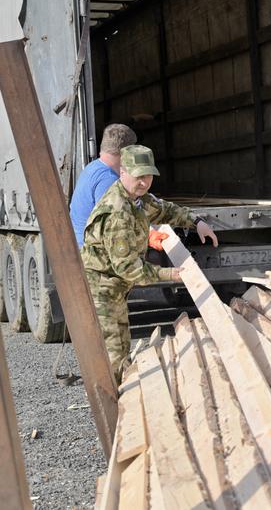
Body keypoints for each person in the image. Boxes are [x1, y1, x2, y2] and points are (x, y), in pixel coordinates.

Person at [81, 145, 218, 384]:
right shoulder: (118, 212)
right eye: (138, 176)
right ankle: (111, 411)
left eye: (148, 176)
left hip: (116, 290)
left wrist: (196, 222)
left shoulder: (136, 199)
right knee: (111, 358)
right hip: (102, 291)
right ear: (123, 172)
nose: (144, 182)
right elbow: (130, 270)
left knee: (122, 349)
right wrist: (173, 275)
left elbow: (165, 210)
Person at [70, 124, 136, 247]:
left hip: (79, 245)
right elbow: (114, 226)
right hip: (94, 253)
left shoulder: (92, 167)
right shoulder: (108, 179)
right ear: (126, 152)